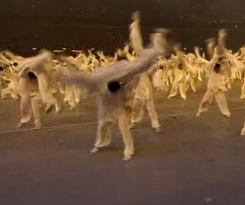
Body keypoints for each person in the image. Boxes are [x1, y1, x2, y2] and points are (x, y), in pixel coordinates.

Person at [56, 32, 167, 161]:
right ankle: (99, 144)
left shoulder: (123, 82)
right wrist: (65, 77)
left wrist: (156, 47)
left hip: (119, 108)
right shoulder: (101, 80)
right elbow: (83, 80)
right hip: (105, 109)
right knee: (102, 127)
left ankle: (129, 151)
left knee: (124, 128)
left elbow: (139, 68)